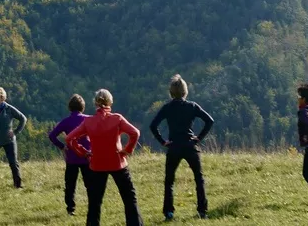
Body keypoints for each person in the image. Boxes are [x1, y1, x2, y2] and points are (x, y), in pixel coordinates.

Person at [66, 89, 141, 226]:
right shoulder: (117, 118)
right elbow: (135, 133)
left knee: (94, 202)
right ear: (110, 102)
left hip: (97, 164)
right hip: (118, 162)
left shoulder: (89, 122)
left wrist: (83, 152)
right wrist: (127, 150)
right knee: (129, 198)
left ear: (95, 103)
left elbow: (70, 138)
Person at [149, 74, 215, 220]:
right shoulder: (192, 106)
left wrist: (163, 141)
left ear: (171, 92)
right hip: (190, 145)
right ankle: (202, 211)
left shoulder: (167, 108)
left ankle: (169, 212)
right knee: (199, 178)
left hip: (173, 146)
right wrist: (198, 138)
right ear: (185, 91)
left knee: (169, 180)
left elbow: (153, 125)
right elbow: (209, 121)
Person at [46, 94, 92, 216]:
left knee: (70, 184)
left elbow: (52, 135)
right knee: (90, 183)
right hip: (87, 156)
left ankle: (70, 209)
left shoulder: (66, 121)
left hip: (71, 157)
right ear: (83, 107)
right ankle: (93, 206)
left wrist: (62, 146)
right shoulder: (89, 119)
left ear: (70, 107)